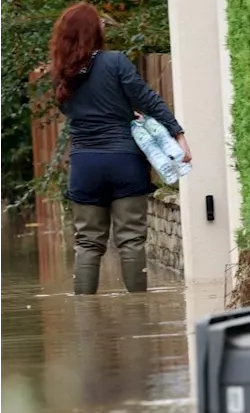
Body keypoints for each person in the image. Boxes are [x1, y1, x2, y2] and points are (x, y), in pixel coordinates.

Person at [50, 2, 192, 296]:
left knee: (88, 243)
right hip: (124, 161)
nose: (103, 26)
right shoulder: (115, 62)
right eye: (98, 23)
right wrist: (177, 134)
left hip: (85, 166)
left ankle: (86, 319)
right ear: (91, 31)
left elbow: (83, 109)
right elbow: (148, 98)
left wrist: (120, 111)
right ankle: (138, 311)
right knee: (131, 240)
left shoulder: (62, 74)